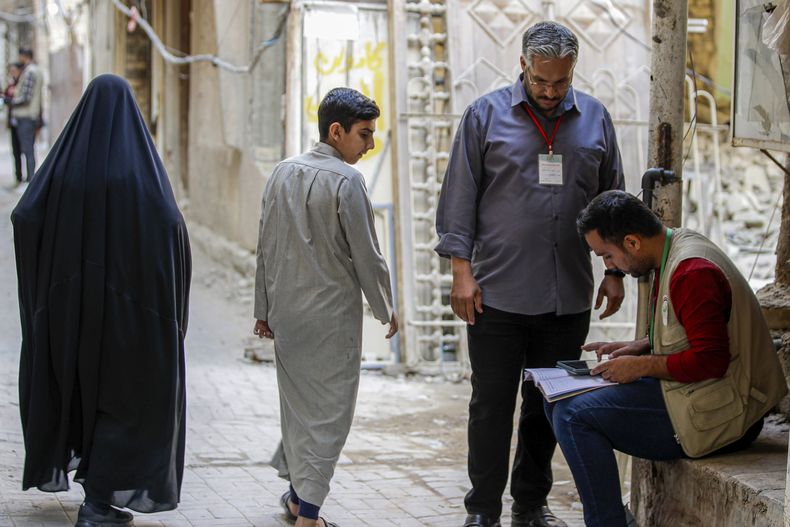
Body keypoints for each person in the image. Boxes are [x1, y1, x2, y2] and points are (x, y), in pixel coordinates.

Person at [434, 21, 625, 527]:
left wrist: (614, 271)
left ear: (571, 73)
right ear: (522, 65)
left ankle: (531, 503)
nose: (549, 92)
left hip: (568, 297)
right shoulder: (484, 116)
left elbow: (613, 203)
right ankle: (482, 510)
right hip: (494, 293)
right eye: (541, 80)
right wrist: (461, 272)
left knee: (548, 406)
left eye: (560, 82)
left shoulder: (595, 120)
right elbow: (459, 197)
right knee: (491, 405)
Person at [545, 190, 788, 526]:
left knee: (573, 416)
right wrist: (640, 346)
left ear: (631, 242)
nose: (609, 267)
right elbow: (693, 331)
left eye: (607, 256)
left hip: (730, 413)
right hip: (701, 393)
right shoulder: (671, 249)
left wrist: (640, 366)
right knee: (556, 399)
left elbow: (711, 361)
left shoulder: (692, 273)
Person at [11, 74, 191, 527]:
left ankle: (95, 499)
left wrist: (49, 287)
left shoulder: (66, 168)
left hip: (71, 315)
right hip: (129, 318)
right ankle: (97, 502)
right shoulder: (140, 176)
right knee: (122, 402)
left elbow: (24, 214)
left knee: (78, 394)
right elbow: (171, 229)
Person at [253, 87, 398, 527]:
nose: (369, 145)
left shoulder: (281, 171)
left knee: (299, 411)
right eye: (364, 134)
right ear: (336, 132)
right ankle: (310, 516)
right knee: (332, 416)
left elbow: (265, 246)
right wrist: (385, 306)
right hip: (331, 320)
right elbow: (367, 254)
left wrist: (262, 309)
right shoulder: (347, 181)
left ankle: (298, 498)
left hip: (287, 316)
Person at [11, 48, 43, 182]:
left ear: (24, 56)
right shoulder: (36, 70)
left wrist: (11, 101)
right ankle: (31, 178)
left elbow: (26, 97)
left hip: (26, 115)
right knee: (28, 148)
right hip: (29, 114)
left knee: (27, 148)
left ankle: (31, 179)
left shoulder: (30, 72)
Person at [3, 62, 22, 186]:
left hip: (21, 119)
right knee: (15, 150)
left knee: (25, 149)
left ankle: (29, 178)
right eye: (11, 71)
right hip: (12, 120)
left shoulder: (22, 83)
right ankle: (18, 176)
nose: (12, 73)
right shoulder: (10, 84)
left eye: (14, 70)